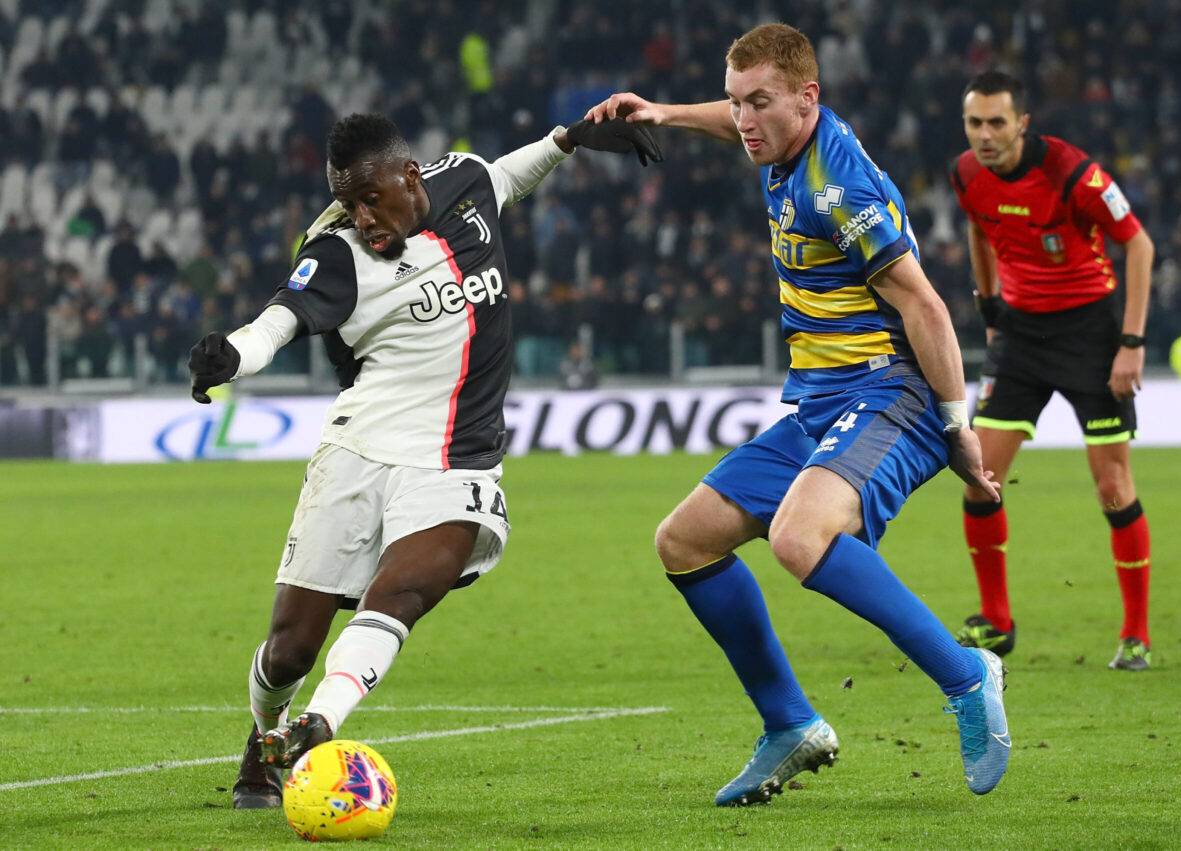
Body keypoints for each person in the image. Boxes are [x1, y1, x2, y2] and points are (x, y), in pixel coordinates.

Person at [586, 23, 1010, 806]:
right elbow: (735, 121)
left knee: (797, 535)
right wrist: (664, 114)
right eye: (736, 101)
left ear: (807, 99)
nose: (743, 120)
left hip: (892, 392)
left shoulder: (837, 189)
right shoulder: (781, 141)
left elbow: (926, 307)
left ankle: (967, 674)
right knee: (684, 541)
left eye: (759, 104)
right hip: (821, 401)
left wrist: (959, 430)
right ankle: (789, 722)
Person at [187, 113, 660, 809]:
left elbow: (506, 177)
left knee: (403, 593)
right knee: (289, 648)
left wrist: (567, 141)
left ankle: (321, 724)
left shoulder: (464, 181)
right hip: (360, 448)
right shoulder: (338, 253)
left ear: (409, 176)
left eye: (369, 199)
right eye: (348, 203)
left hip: (458, 461)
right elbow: (277, 322)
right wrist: (232, 353)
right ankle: (265, 738)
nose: (362, 217)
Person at [948, 71, 1156, 671]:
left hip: (1091, 336)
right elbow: (979, 227)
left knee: (1112, 487)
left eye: (996, 123)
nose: (985, 135)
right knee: (979, 476)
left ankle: (1136, 633)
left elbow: (1139, 245)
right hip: (1020, 336)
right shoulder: (965, 174)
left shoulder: (1073, 174)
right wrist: (990, 309)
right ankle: (997, 621)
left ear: (1022, 124)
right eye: (974, 123)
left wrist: (1131, 343)